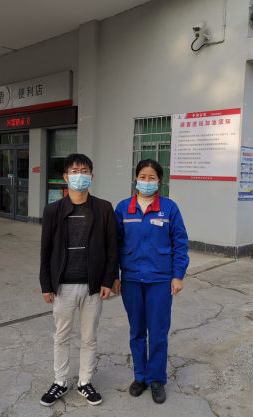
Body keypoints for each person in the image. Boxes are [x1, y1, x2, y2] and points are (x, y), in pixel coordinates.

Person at [39, 153, 118, 407]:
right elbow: (46, 251)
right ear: (65, 177)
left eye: (84, 171)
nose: (79, 176)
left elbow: (112, 248)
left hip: (93, 286)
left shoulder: (103, 208)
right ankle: (60, 381)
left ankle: (85, 381)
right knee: (61, 336)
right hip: (63, 286)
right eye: (74, 171)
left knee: (88, 337)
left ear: (91, 176)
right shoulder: (52, 210)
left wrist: (108, 280)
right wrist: (46, 284)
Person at [112, 159, 189, 404]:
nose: (147, 181)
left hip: (160, 280)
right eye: (142, 177)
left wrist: (178, 275)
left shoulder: (169, 208)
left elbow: (180, 243)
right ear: (136, 179)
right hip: (132, 278)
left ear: (159, 181)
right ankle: (140, 376)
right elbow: (113, 245)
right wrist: (114, 276)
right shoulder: (123, 208)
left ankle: (156, 379)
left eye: (152, 177)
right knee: (137, 331)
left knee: (158, 332)